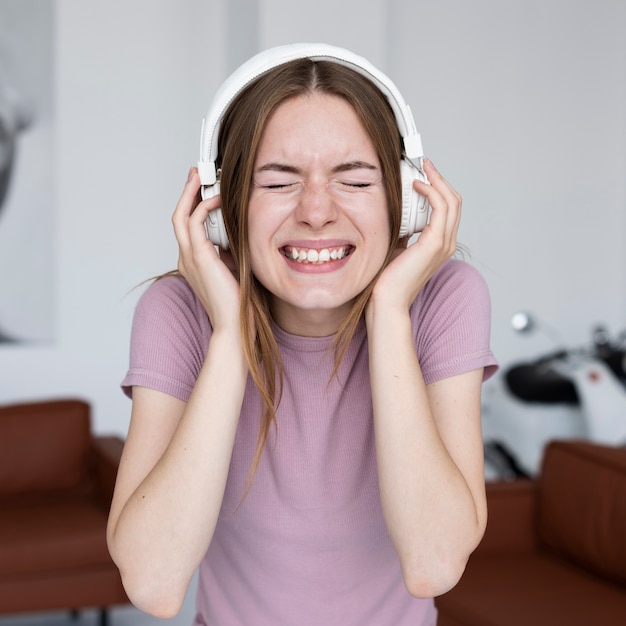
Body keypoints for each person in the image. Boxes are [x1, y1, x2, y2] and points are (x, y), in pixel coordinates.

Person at [107, 43, 498, 626]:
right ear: (221, 206)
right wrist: (230, 334)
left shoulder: (443, 298)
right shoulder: (180, 311)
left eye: (355, 180)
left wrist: (389, 311)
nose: (317, 211)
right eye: (278, 181)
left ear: (406, 202)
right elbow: (154, 585)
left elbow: (433, 564)